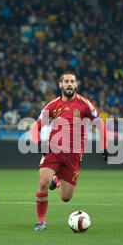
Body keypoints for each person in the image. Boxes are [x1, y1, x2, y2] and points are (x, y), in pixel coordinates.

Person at [30, 71, 108, 230]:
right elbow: (35, 126)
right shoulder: (53, 105)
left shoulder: (85, 104)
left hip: (74, 155)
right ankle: (41, 221)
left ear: (76, 84)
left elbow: (100, 125)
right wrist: (39, 143)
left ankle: (56, 180)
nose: (69, 84)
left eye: (72, 81)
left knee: (66, 197)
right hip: (53, 150)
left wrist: (104, 147)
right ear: (60, 84)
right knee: (43, 182)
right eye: (66, 81)